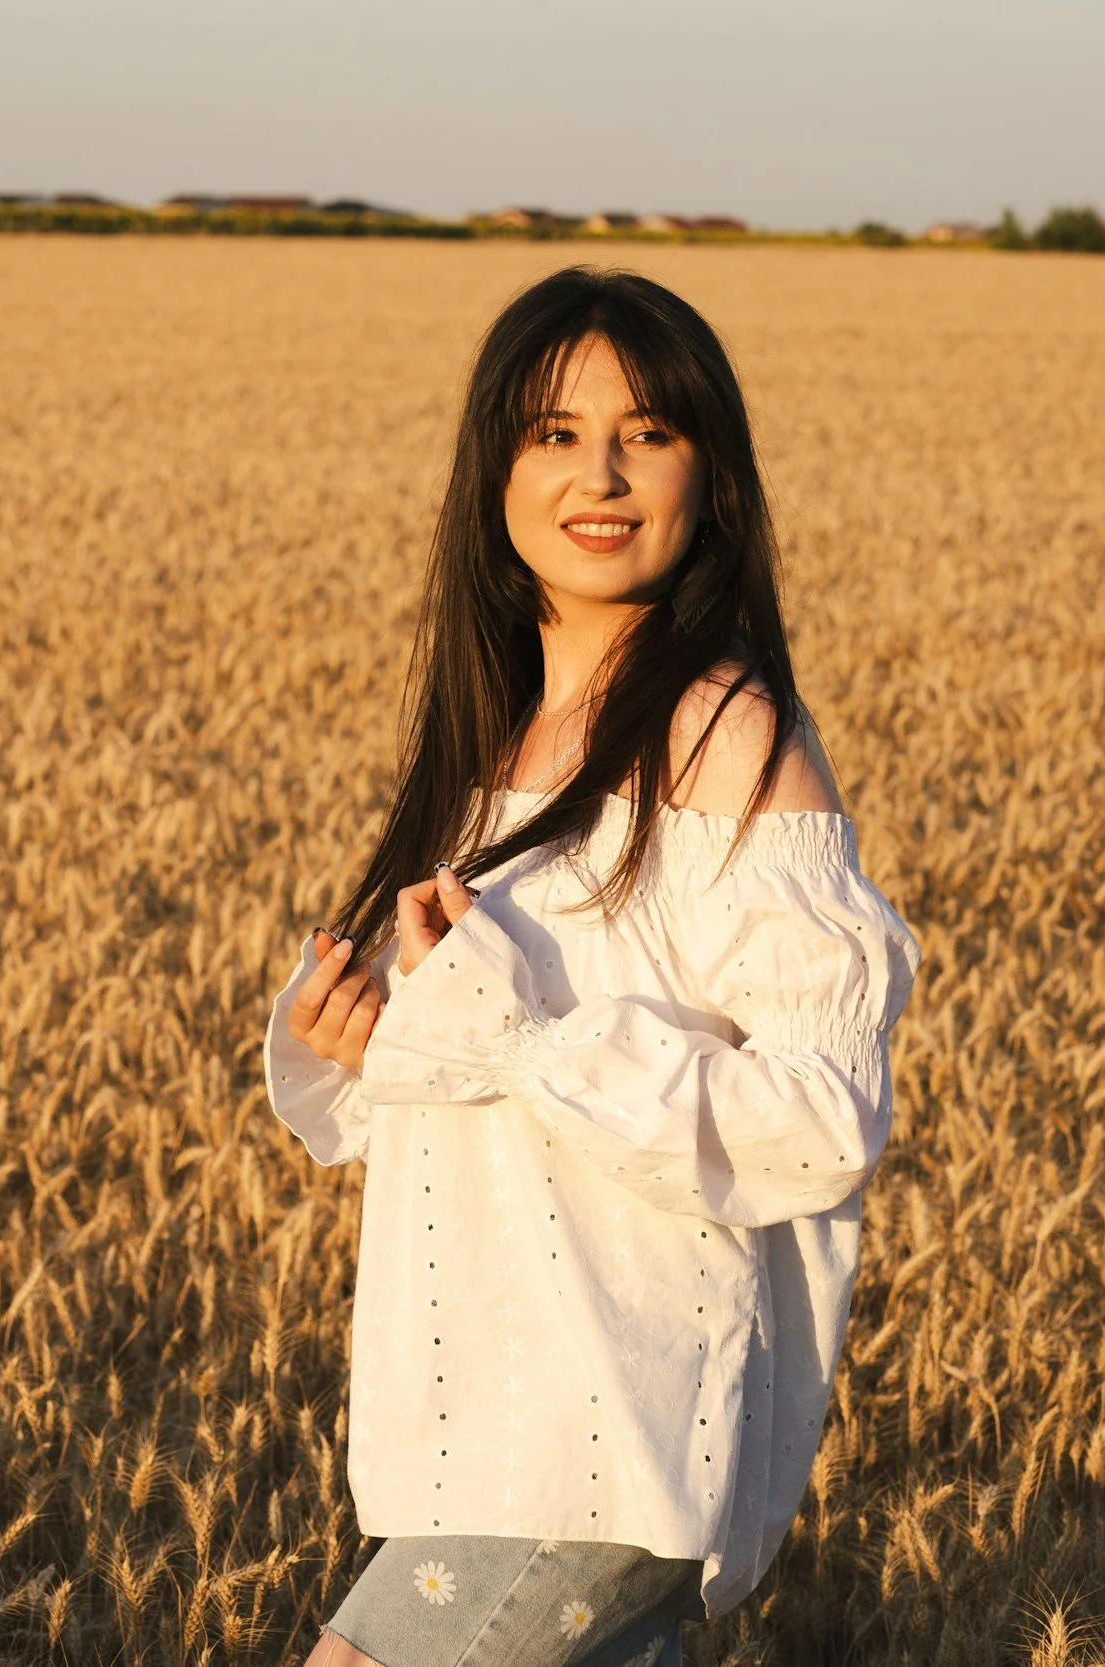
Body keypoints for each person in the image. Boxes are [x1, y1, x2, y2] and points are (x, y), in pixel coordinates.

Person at [266, 267, 922, 1667]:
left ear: (710, 475)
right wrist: (374, 1045)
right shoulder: (493, 741)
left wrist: (520, 1041)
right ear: (493, 470)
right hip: (471, 1413)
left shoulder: (722, 734)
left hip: (603, 1421)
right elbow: (497, 1100)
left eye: (650, 432)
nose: (602, 472)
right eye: (555, 432)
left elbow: (818, 1119)